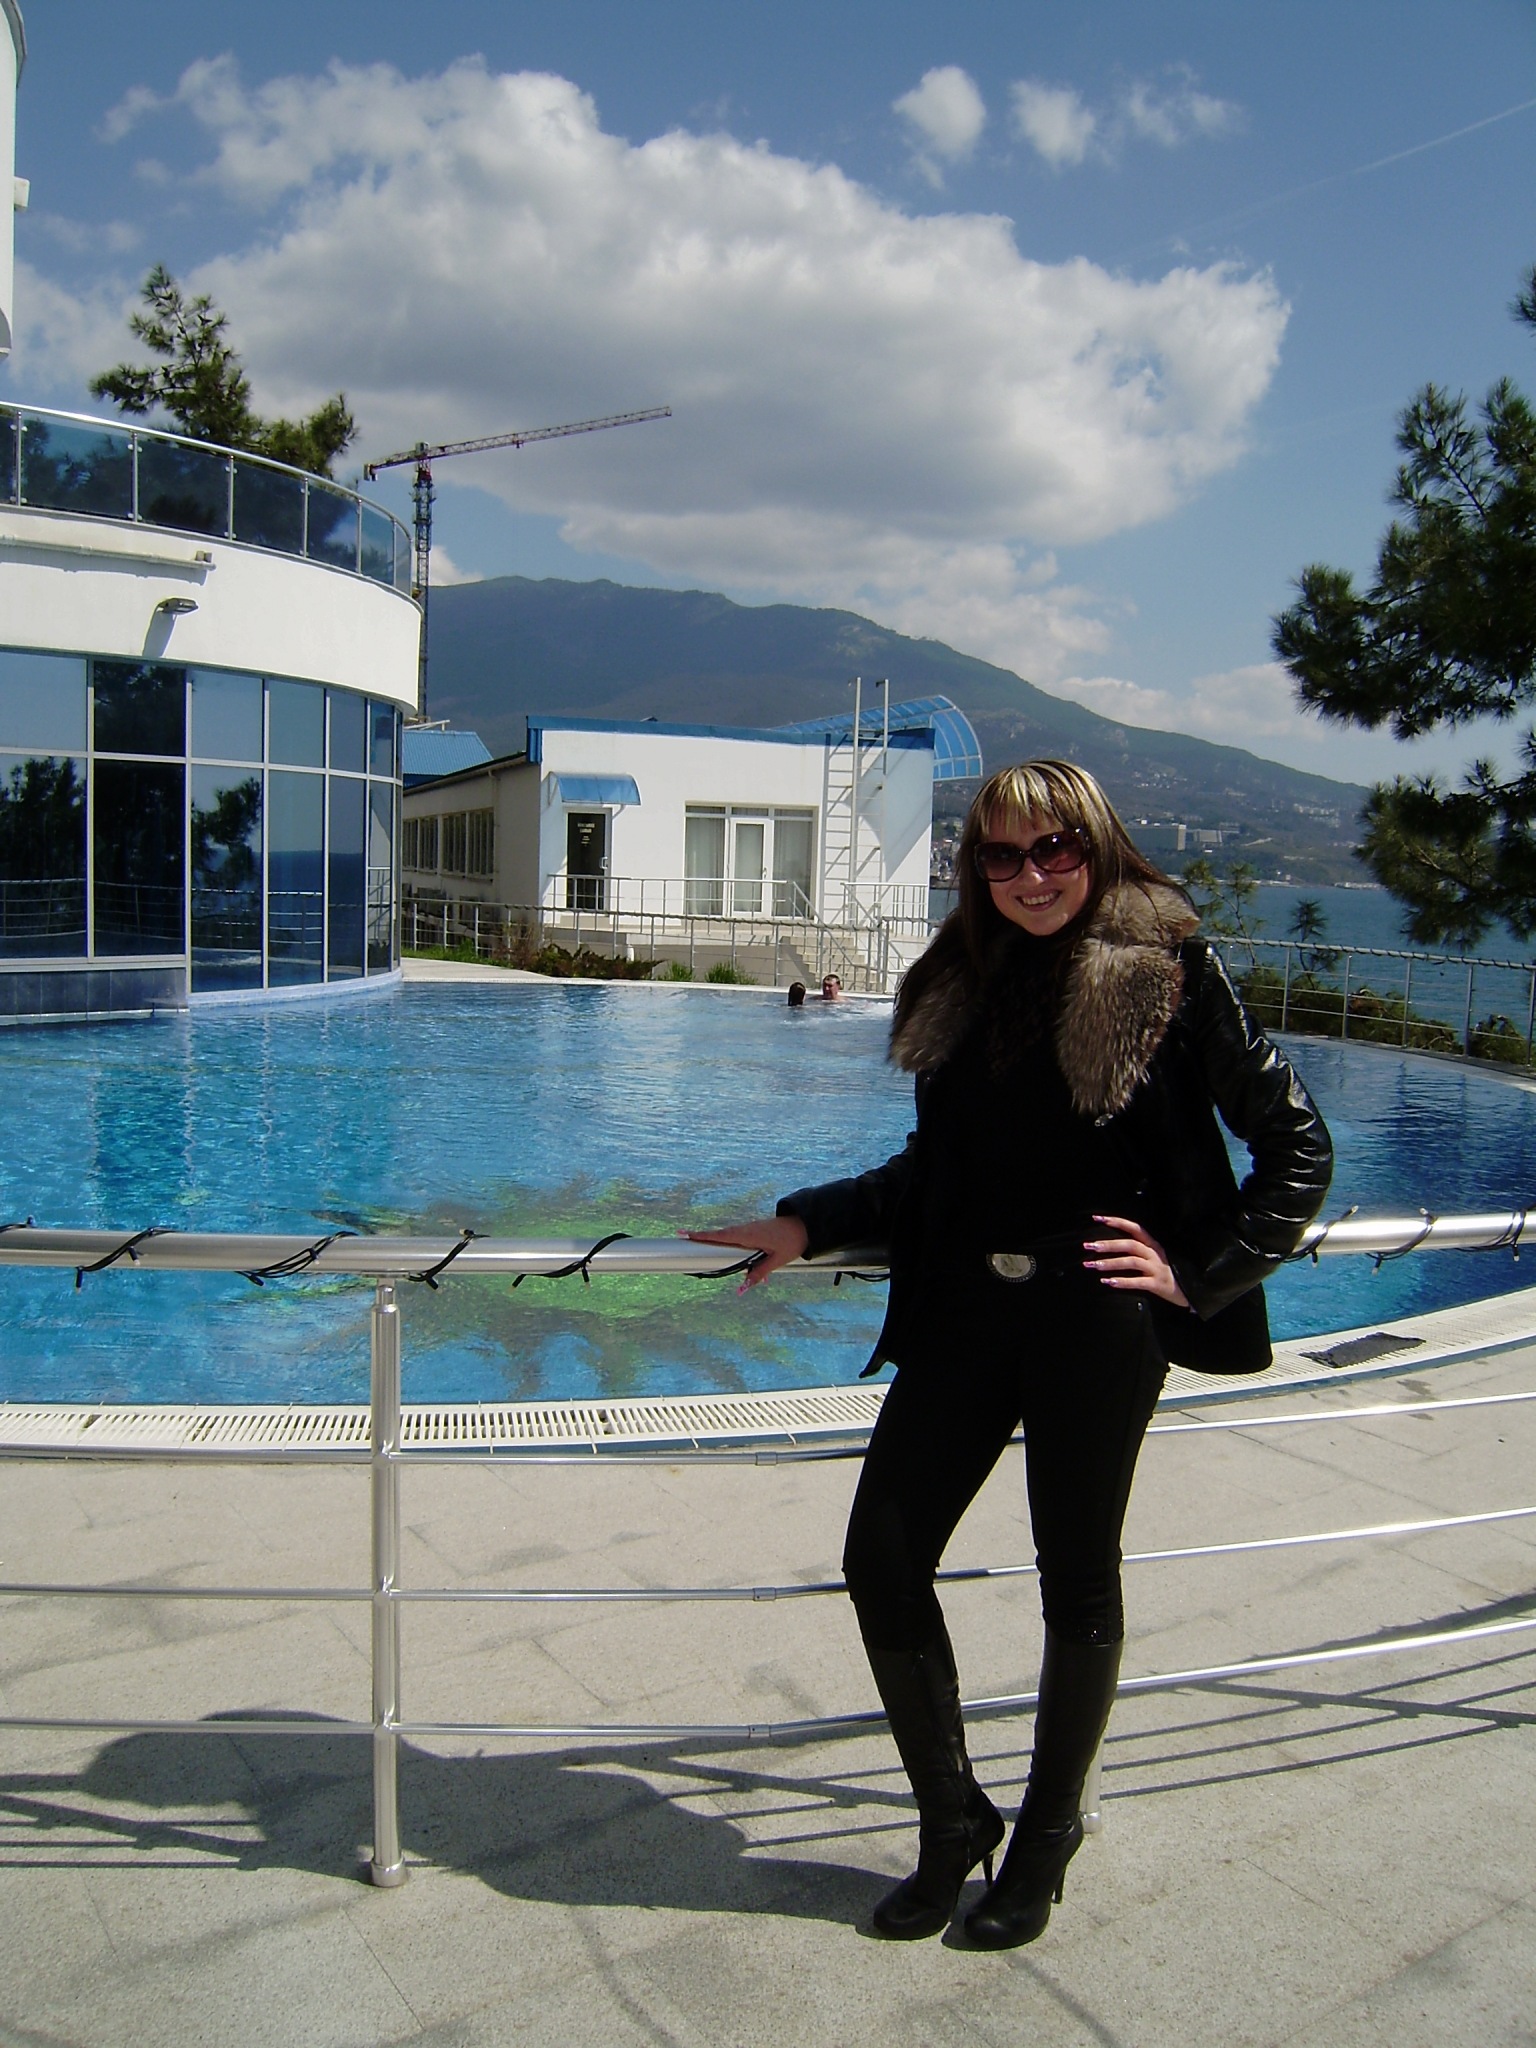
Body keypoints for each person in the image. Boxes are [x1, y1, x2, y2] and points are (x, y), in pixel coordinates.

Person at [691, 760, 1332, 1948]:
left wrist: (1204, 1273)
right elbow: (932, 1173)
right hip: (965, 1311)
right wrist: (807, 1219)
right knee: (882, 1558)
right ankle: (953, 1820)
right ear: (975, 866)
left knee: (1075, 1576)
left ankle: (1045, 1834)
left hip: (1097, 1321)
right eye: (1002, 854)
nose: (1031, 874)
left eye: (1054, 849)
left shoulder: (1169, 972)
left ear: (1097, 846)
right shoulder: (961, 979)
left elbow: (1297, 1142)